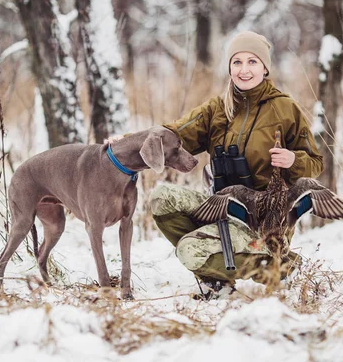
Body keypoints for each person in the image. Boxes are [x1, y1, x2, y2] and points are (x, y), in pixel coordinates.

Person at [108, 31, 323, 297]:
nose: (244, 70)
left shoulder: (285, 108)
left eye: (252, 62)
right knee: (162, 198)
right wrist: (127, 142)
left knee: (189, 249)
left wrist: (293, 159)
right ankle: (216, 278)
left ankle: (279, 267)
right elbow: (172, 133)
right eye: (237, 62)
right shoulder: (216, 109)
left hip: (265, 223)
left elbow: (315, 163)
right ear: (229, 67)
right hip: (221, 207)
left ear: (265, 67)